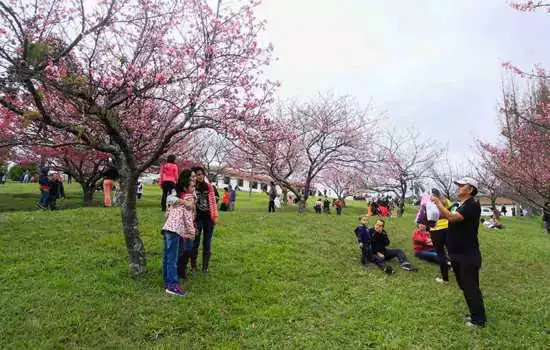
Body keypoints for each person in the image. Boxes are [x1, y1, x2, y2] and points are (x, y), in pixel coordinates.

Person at [431, 177, 486, 327]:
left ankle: (479, 320)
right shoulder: (457, 204)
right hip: (455, 253)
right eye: (458, 185)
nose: (458, 187)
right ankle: (475, 313)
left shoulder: (472, 205)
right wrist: (437, 205)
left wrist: (438, 203)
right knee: (463, 285)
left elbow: (451, 217)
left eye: (462, 185)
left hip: (468, 254)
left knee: (470, 287)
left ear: (470, 190)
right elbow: (444, 214)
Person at [162, 169, 196, 296]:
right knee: (172, 258)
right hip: (175, 230)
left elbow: (168, 211)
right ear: (185, 187)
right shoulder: (188, 199)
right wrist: (191, 233)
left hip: (167, 229)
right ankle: (172, 285)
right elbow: (188, 219)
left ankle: (167, 281)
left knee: (167, 257)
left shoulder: (177, 198)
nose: (194, 188)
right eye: (192, 186)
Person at [191, 166, 219, 274]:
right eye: (197, 174)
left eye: (201, 174)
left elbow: (216, 199)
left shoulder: (210, 187)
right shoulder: (192, 187)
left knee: (207, 242)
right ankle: (193, 266)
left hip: (209, 218)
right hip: (197, 218)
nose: (200, 176)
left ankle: (205, 267)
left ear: (204, 175)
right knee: (195, 242)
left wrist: (215, 199)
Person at [428, 189, 452, 284]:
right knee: (451, 251)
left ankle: (445, 279)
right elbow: (452, 213)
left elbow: (426, 216)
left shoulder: (430, 203)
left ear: (433, 195)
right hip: (448, 227)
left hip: (436, 229)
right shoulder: (447, 201)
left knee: (441, 253)